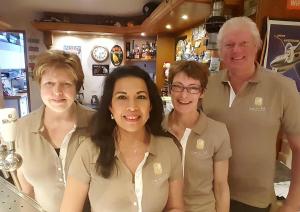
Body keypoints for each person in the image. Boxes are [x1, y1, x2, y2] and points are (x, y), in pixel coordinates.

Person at [202, 16, 300, 212]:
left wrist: (293, 203)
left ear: (257, 45)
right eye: (229, 44)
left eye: (244, 43)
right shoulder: (206, 85)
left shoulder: (283, 87)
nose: (236, 50)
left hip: (254, 202)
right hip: (206, 195)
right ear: (220, 51)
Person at [60, 65, 184, 212]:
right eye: (122, 97)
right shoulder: (89, 151)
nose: (132, 107)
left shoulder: (169, 148)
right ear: (110, 106)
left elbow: (175, 207)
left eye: (141, 97)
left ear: (150, 105)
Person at [15, 50, 95, 212]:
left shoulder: (98, 124)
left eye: (66, 84)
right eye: (49, 83)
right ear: (40, 85)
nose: (57, 92)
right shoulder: (22, 128)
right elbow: (27, 190)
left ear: (77, 87)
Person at [162, 61, 231, 212]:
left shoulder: (218, 131)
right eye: (178, 86)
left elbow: (221, 186)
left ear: (202, 92)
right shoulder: (155, 129)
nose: (184, 95)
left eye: (193, 88)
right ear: (169, 89)